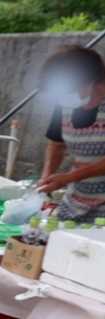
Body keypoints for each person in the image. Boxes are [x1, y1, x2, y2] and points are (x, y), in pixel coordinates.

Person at [38, 46, 105, 221]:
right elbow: (57, 144)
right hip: (77, 202)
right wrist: (47, 176)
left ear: (91, 80)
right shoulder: (66, 102)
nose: (65, 96)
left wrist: (68, 177)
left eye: (69, 90)